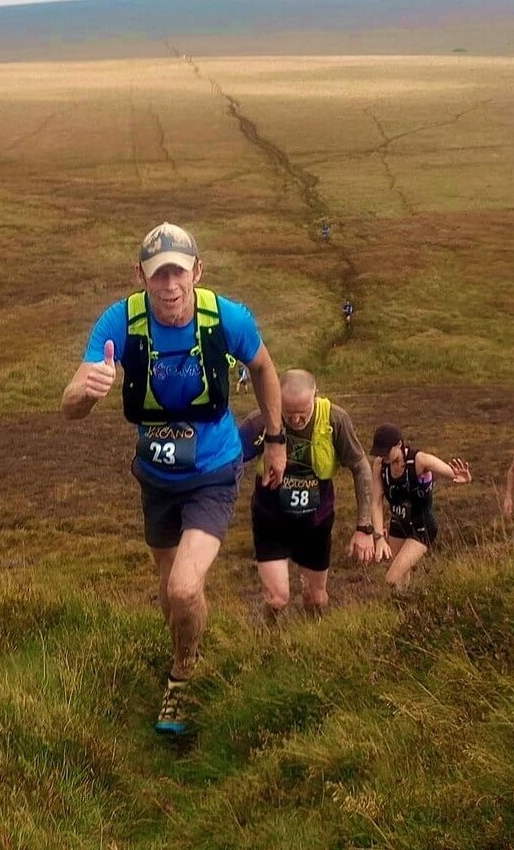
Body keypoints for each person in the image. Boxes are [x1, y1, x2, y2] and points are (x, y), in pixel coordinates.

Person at [61, 222, 283, 734]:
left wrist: (275, 440)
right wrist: (87, 392)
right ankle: (191, 641)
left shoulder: (227, 317)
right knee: (169, 588)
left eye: (178, 273)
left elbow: (265, 369)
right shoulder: (119, 322)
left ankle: (183, 675)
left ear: (197, 272)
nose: (170, 286)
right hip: (156, 477)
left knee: (184, 588)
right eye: (159, 275)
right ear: (141, 276)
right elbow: (69, 405)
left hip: (213, 470)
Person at [239, 369, 375, 620]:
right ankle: (268, 636)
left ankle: (313, 637)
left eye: (303, 412)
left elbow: (361, 467)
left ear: (316, 396)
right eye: (288, 412)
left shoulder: (335, 420)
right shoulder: (260, 421)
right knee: (277, 599)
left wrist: (364, 527)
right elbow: (229, 459)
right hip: (271, 521)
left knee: (316, 599)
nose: (295, 419)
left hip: (316, 523)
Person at [370, 423, 471, 591]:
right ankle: (406, 605)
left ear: (399, 445)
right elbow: (376, 502)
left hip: (422, 526)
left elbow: (451, 472)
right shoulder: (380, 466)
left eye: (386, 451)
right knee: (401, 580)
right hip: (398, 526)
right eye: (379, 451)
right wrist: (379, 537)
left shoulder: (420, 460)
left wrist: (462, 477)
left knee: (391, 579)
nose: (382, 455)